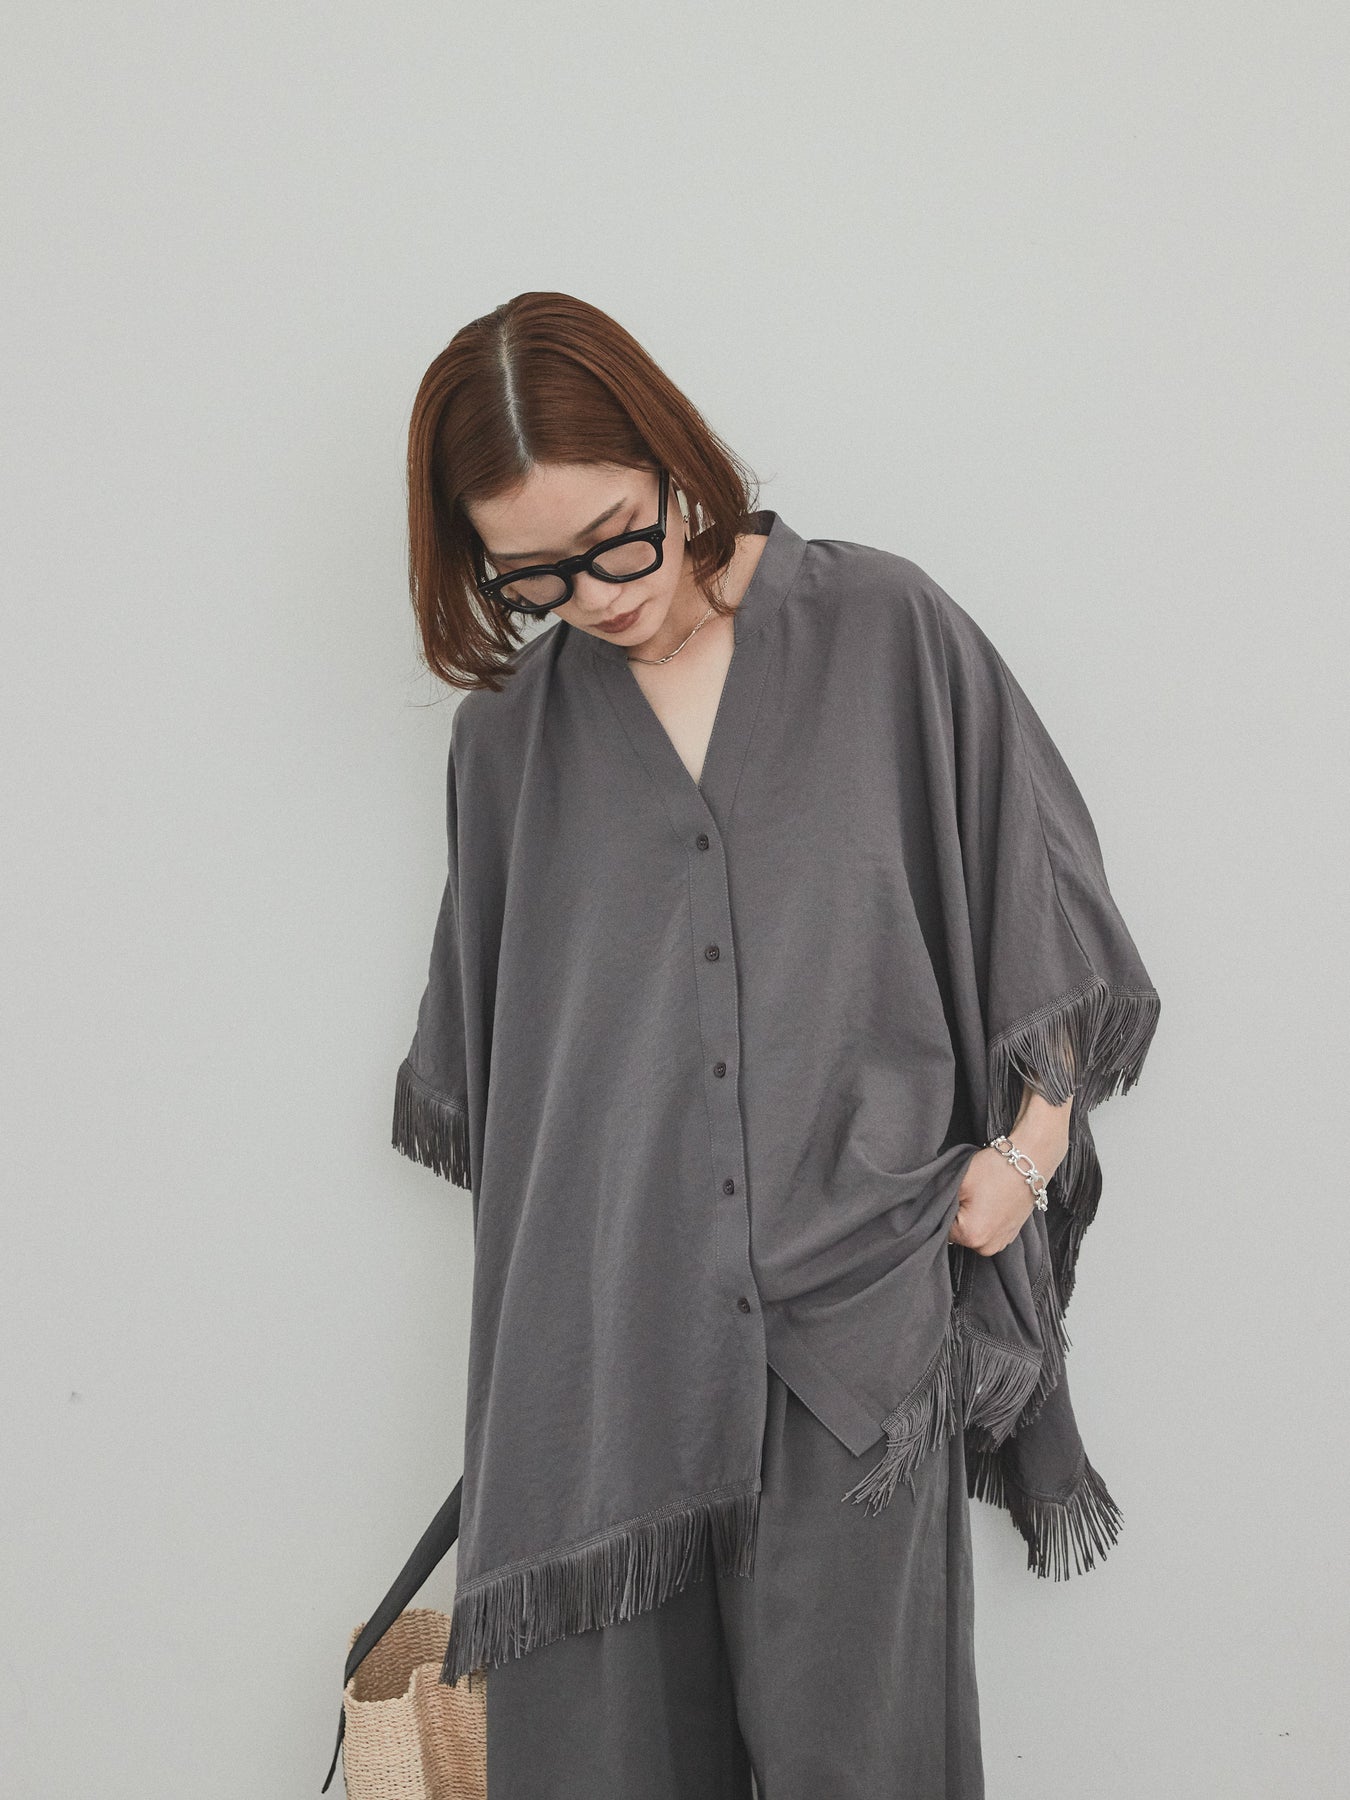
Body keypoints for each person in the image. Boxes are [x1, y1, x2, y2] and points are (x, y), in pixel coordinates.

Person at [388, 290, 1161, 1798]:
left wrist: (1023, 1156)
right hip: (606, 1361)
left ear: (672, 460)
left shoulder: (886, 635)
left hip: (856, 1342)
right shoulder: (508, 746)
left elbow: (1047, 920)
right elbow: (514, 1083)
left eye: (615, 539)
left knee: (865, 1766)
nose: (594, 595)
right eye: (534, 575)